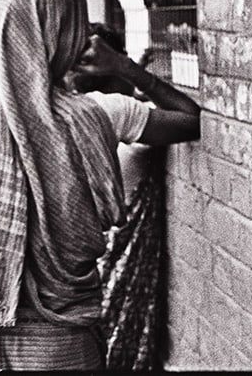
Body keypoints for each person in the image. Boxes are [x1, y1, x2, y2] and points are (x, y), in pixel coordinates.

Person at [0, 0, 199, 370]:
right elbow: (189, 118)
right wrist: (124, 67)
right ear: (68, 35)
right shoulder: (100, 114)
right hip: (63, 343)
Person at [67, 22, 199, 371]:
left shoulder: (82, 111)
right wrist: (127, 67)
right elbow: (191, 118)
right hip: (109, 268)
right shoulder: (113, 111)